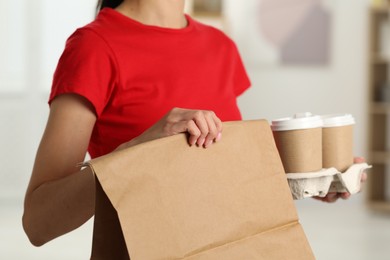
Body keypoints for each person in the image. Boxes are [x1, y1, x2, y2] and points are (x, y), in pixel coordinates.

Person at [22, 0, 367, 258]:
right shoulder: (94, 46)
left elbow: (222, 179)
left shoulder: (221, 47)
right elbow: (38, 222)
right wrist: (141, 150)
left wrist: (308, 180)